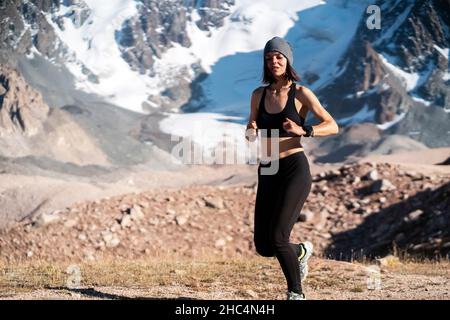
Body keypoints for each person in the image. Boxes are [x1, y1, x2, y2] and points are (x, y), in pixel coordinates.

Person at [245, 36, 339, 300]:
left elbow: (332, 125)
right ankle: (299, 252)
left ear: (287, 61)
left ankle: (296, 293)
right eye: (269, 58)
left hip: (293, 168)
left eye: (278, 57)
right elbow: (252, 126)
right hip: (268, 168)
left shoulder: (301, 94)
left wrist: (304, 129)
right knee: (264, 246)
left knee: (278, 236)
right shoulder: (258, 94)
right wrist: (251, 130)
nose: (273, 62)